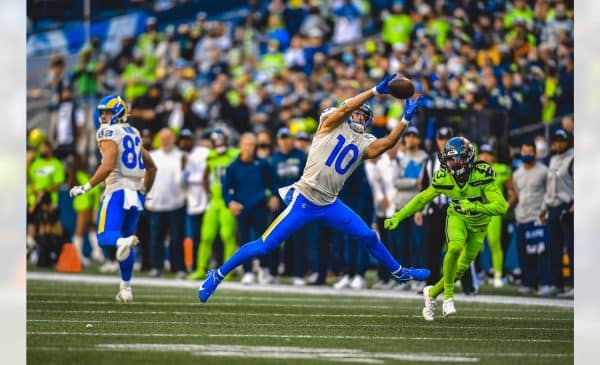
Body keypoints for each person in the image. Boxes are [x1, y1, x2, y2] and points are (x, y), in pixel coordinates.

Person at [199, 74, 430, 303]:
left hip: (330, 203)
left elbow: (387, 143)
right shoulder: (331, 122)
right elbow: (343, 109)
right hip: (305, 199)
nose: (359, 117)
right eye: (357, 113)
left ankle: (399, 272)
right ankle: (217, 274)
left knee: (368, 236)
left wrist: (405, 119)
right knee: (264, 246)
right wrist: (374, 91)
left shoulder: (364, 142)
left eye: (364, 115)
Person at [385, 136, 508, 320]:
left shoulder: (481, 173)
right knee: (455, 247)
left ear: (468, 158)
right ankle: (448, 298)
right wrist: (399, 216)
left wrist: (475, 207)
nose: (454, 163)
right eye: (451, 159)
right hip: (457, 217)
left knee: (460, 269)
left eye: (458, 158)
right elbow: (422, 198)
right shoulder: (444, 177)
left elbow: (501, 206)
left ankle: (432, 292)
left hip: (480, 224)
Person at [69, 95, 157, 303]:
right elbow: (152, 166)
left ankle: (122, 241)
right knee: (125, 246)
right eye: (102, 113)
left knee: (105, 237)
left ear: (118, 111)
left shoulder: (108, 131)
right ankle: (125, 288)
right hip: (135, 195)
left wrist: (86, 186)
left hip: (117, 191)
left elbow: (108, 165)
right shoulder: (133, 132)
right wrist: (144, 191)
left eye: (107, 112)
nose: (103, 116)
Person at [222, 133, 280, 285]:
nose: (249, 148)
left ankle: (265, 269)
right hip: (242, 209)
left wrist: (274, 196)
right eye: (246, 144)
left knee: (264, 240)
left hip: (260, 207)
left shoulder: (263, 164)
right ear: (240, 146)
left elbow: (274, 183)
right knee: (244, 240)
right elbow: (225, 190)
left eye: (252, 144)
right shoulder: (232, 167)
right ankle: (247, 271)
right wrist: (230, 203)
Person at [187, 129, 239, 280]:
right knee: (206, 236)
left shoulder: (235, 154)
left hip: (228, 201)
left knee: (227, 236)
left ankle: (227, 270)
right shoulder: (210, 156)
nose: (218, 143)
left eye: (220, 140)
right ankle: (201, 268)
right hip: (214, 201)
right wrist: (208, 192)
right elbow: (205, 175)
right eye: (215, 140)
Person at [538, 129, 573, 297]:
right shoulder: (552, 159)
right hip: (553, 208)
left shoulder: (573, 159)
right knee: (553, 247)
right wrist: (544, 208)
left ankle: (575, 285)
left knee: (573, 248)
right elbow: (550, 187)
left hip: (568, 207)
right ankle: (555, 284)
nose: (558, 144)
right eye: (556, 141)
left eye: (561, 140)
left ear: (568, 141)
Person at [510, 141, 548, 294]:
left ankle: (543, 283)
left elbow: (548, 192)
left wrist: (544, 212)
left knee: (539, 252)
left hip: (537, 217)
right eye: (524, 151)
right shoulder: (517, 173)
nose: (527, 154)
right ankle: (528, 283)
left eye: (530, 151)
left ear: (535, 153)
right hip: (521, 217)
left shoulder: (543, 171)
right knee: (523, 252)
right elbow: (516, 195)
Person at [477, 144, 513, 287]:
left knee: (494, 243)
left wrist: (508, 204)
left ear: (493, 156)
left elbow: (512, 192)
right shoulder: (472, 170)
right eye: (483, 153)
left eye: (488, 153)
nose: (485, 156)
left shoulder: (501, 170)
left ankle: (498, 275)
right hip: (477, 210)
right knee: (471, 244)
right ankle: (470, 274)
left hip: (493, 212)